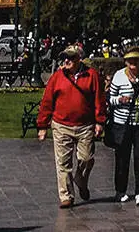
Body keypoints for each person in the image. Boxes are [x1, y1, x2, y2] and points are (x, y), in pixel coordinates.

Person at [37, 45, 106, 209]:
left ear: (79, 59)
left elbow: (99, 100)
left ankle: (81, 180)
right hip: (61, 125)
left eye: (71, 57)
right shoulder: (57, 77)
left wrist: (99, 121)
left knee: (87, 159)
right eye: (64, 57)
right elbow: (47, 101)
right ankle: (66, 196)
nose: (66, 60)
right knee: (63, 163)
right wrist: (42, 125)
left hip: (85, 126)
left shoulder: (92, 76)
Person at [106, 46, 139, 205]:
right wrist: (120, 100)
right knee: (122, 158)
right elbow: (110, 99)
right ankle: (120, 190)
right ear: (126, 62)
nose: (133, 64)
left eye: (136, 60)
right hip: (122, 123)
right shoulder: (118, 76)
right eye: (130, 60)